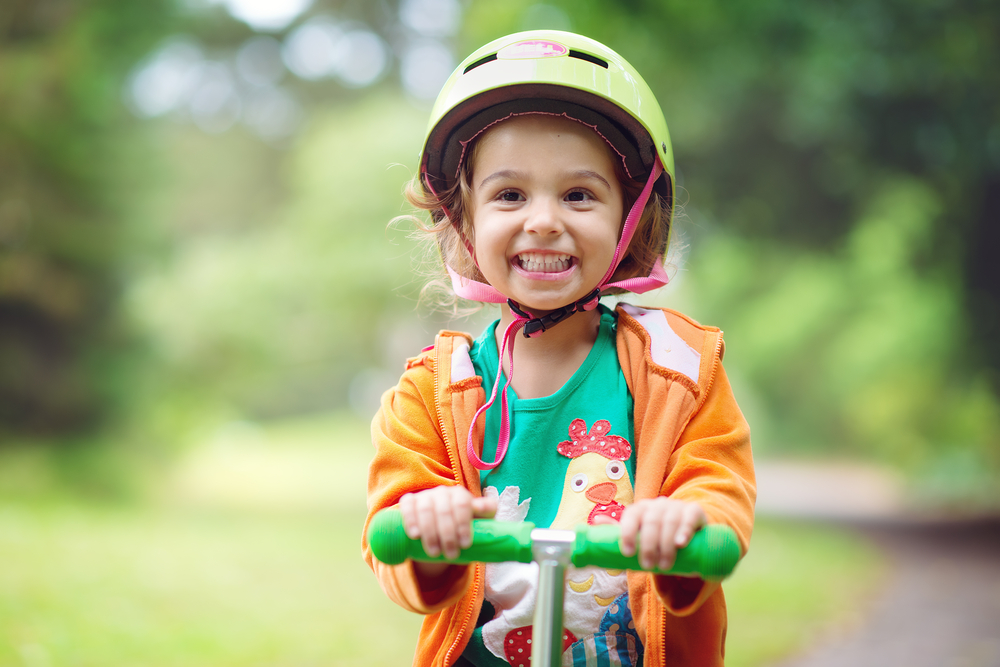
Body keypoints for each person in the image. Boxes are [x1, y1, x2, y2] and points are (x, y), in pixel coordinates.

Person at [363, 30, 755, 667]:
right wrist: (423, 529)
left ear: (630, 219)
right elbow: (394, 545)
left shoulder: (679, 369)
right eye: (509, 194)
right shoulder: (431, 392)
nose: (543, 220)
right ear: (463, 222)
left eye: (578, 195)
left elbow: (718, 489)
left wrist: (688, 530)